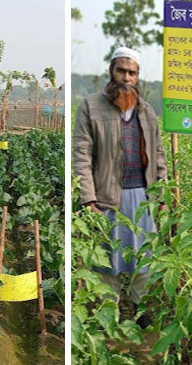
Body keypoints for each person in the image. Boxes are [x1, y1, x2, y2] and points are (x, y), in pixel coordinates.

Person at [73, 47, 168, 328]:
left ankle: (140, 310)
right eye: (121, 70)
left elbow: (158, 155)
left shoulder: (146, 111)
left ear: (137, 77)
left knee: (144, 256)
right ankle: (108, 313)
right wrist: (88, 199)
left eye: (132, 72)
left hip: (142, 197)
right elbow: (81, 154)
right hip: (107, 198)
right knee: (107, 258)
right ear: (111, 71)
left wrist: (160, 196)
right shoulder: (91, 106)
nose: (126, 77)